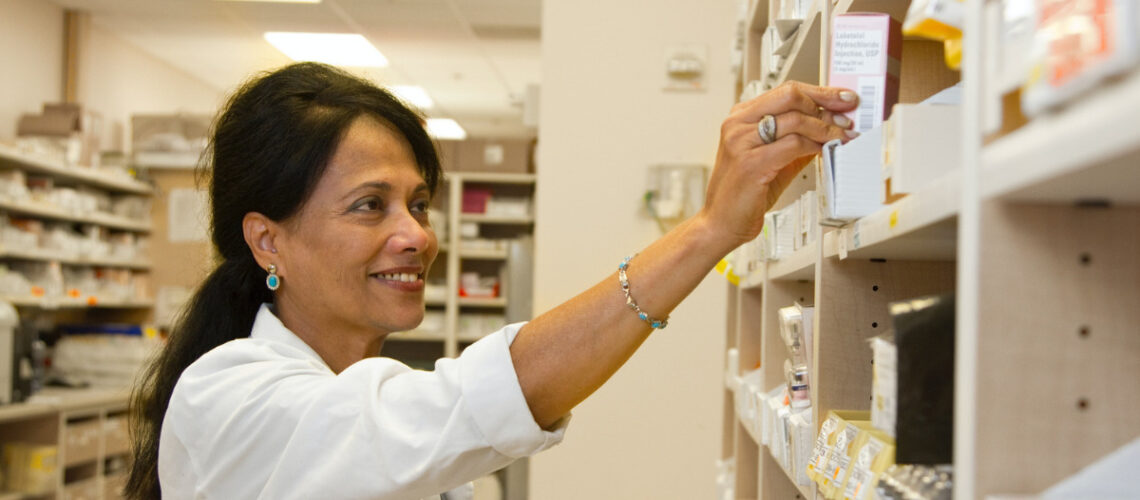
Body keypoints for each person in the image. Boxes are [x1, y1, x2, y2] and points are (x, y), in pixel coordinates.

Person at [125, 62, 859, 500]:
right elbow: (476, 401)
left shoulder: (370, 384)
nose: (415, 234)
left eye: (417, 203)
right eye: (368, 206)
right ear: (267, 240)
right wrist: (709, 231)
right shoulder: (227, 398)